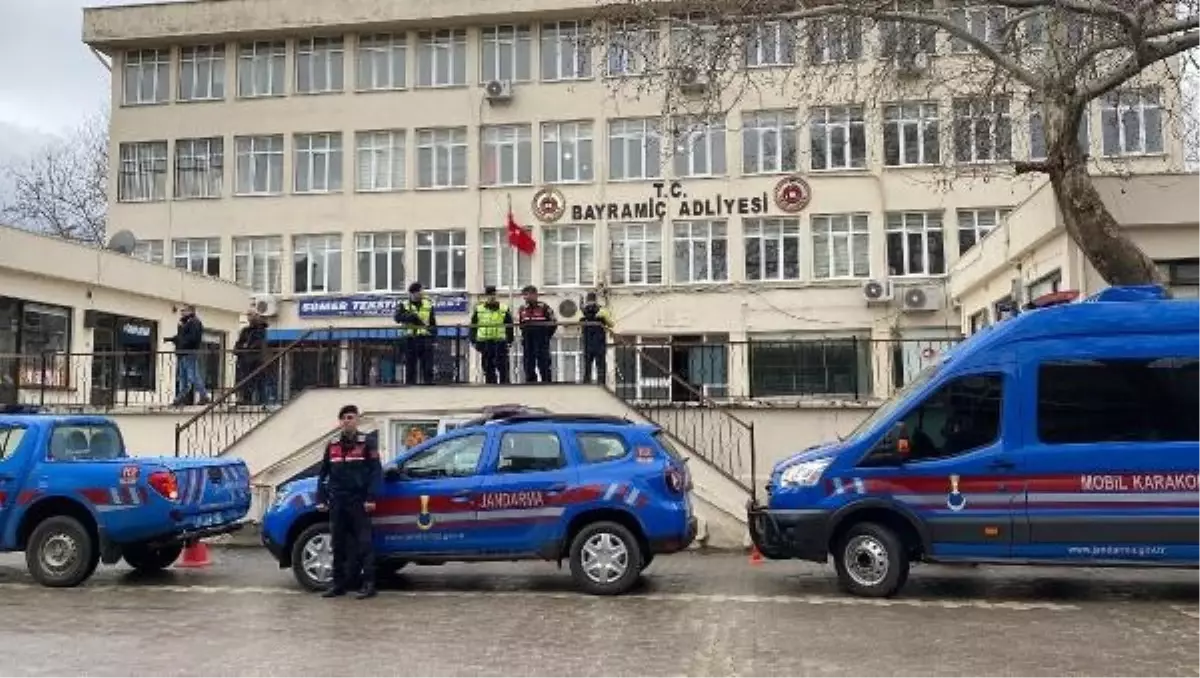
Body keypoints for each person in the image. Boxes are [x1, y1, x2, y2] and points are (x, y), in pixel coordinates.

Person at [316, 404, 382, 600]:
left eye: (351, 417)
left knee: (364, 543)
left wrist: (371, 497)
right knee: (338, 543)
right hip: (338, 501)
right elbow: (323, 473)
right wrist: (322, 497)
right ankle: (338, 585)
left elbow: (375, 472)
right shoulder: (333, 444)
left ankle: (369, 584)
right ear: (340, 422)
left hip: (358, 500)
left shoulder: (367, 442)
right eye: (344, 418)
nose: (347, 421)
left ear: (357, 420)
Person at [393, 282, 437, 385]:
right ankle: (410, 386)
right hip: (410, 338)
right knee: (410, 365)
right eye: (420, 291)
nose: (422, 293)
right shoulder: (403, 305)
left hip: (425, 337)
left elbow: (432, 322)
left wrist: (434, 338)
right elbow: (397, 318)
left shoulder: (428, 304)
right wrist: (411, 316)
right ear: (413, 293)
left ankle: (428, 384)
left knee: (427, 365)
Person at [469, 285, 514, 384]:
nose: (491, 297)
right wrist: (473, 340)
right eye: (489, 295)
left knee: (503, 367)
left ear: (496, 295)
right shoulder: (479, 309)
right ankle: (490, 386)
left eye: (493, 294)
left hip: (500, 341)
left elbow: (509, 326)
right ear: (486, 296)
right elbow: (473, 326)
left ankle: (505, 386)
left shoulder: (504, 308)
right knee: (488, 367)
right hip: (485, 342)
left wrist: (510, 340)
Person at [165, 305, 208, 406]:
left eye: (184, 311)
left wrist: (181, 341)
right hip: (183, 353)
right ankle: (180, 399)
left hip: (189, 352)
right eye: (181, 311)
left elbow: (192, 338)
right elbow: (182, 337)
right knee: (184, 378)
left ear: (190, 311)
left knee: (192, 376)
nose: (182, 313)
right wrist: (171, 339)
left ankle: (203, 396)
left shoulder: (194, 322)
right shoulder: (186, 323)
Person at [517, 285, 556, 383]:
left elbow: (553, 323)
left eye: (527, 294)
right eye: (524, 295)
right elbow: (521, 325)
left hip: (541, 339)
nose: (525, 297)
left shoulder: (544, 307)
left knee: (544, 362)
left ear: (535, 295)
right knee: (528, 362)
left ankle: (546, 382)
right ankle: (530, 382)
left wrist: (546, 335)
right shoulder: (522, 309)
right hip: (528, 339)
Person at [234, 308, 270, 405]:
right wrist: (244, 348)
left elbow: (257, 344)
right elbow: (237, 345)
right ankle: (246, 399)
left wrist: (245, 347)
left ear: (256, 315)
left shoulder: (261, 329)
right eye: (248, 315)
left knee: (259, 382)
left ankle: (262, 402)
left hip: (258, 360)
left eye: (250, 315)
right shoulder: (245, 330)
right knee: (246, 381)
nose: (248, 317)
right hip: (245, 360)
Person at [579, 292, 613, 385]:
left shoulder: (582, 310)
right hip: (599, 341)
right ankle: (601, 383)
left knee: (587, 364)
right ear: (596, 299)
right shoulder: (602, 310)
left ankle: (586, 382)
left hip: (588, 341)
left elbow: (579, 323)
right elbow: (611, 324)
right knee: (600, 364)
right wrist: (603, 319)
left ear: (587, 300)